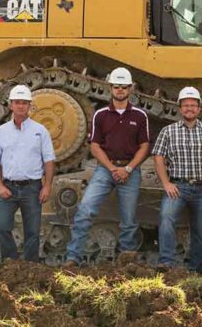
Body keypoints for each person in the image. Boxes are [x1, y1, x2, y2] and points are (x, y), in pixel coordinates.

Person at [64, 67, 150, 266]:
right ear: (110, 87)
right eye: (116, 86)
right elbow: (95, 146)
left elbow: (144, 146)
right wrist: (112, 168)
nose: (120, 90)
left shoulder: (139, 116)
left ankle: (127, 259)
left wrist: (128, 169)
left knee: (128, 219)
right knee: (85, 209)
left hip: (130, 170)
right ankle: (73, 257)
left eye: (124, 87)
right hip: (105, 170)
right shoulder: (100, 115)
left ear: (131, 89)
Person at [153, 86, 202, 272]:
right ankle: (166, 262)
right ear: (180, 108)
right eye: (186, 105)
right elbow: (158, 157)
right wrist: (166, 183)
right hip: (178, 187)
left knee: (200, 228)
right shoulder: (168, 131)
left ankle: (197, 269)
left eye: (193, 105)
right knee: (166, 218)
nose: (189, 109)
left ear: (199, 109)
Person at [0, 84, 56, 262]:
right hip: (8, 187)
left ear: (30, 106)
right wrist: (0, 186)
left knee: (32, 231)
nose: (21, 106)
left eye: (25, 103)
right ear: (11, 105)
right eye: (17, 102)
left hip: (32, 187)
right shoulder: (2, 131)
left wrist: (47, 186)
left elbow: (49, 161)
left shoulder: (40, 131)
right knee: (1, 226)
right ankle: (10, 261)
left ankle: (29, 266)